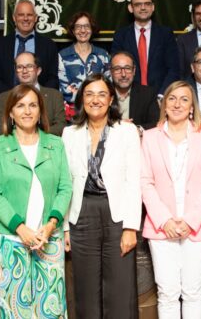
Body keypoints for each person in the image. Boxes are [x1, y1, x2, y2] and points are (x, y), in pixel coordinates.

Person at [0, 84, 72, 318]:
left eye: (33, 105)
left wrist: (51, 224)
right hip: (11, 239)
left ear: (40, 111)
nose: (27, 111)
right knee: (15, 309)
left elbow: (65, 188)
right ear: (10, 113)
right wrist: (20, 229)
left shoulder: (56, 144)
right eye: (20, 105)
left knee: (51, 308)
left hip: (49, 238)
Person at [62, 73, 141, 318]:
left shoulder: (126, 131)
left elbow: (134, 180)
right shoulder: (69, 133)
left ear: (110, 100)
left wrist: (130, 227)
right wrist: (65, 227)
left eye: (101, 94)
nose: (95, 100)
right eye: (89, 94)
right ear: (81, 99)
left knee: (119, 288)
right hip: (82, 212)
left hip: (116, 213)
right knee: (85, 290)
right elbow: (65, 183)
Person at [140, 81, 201, 319]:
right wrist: (164, 220)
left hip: (197, 227)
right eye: (172, 99)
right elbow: (145, 181)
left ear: (192, 107)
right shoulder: (150, 137)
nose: (177, 104)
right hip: (161, 227)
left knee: (193, 292)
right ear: (164, 105)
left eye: (184, 99)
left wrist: (190, 221)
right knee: (167, 293)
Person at [111, 0, 179, 95]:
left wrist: (162, 95)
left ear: (153, 7)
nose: (143, 8)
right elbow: (116, 69)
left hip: (160, 95)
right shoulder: (121, 35)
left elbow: (174, 69)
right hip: (130, 96)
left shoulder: (166, 34)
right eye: (138, 4)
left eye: (147, 4)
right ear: (131, 8)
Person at [0, 0, 59, 95]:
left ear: (35, 18)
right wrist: (10, 98)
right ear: (14, 18)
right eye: (21, 15)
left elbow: (53, 78)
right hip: (8, 100)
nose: (25, 18)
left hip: (40, 100)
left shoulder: (49, 45)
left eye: (29, 15)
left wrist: (40, 97)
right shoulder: (1, 44)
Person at [0, 52, 66, 136]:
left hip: (47, 143)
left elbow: (61, 127)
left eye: (29, 66)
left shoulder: (55, 96)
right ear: (16, 72)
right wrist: (23, 136)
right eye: (20, 67)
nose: (24, 71)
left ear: (38, 71)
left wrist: (35, 135)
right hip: (14, 143)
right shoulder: (3, 98)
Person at [57, 12, 110, 105]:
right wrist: (86, 100)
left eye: (86, 26)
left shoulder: (103, 55)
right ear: (73, 30)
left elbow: (109, 85)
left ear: (92, 29)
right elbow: (63, 87)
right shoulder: (63, 55)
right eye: (78, 27)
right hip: (73, 109)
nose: (82, 30)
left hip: (98, 106)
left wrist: (95, 100)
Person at [110, 51, 160, 131]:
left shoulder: (148, 93)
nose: (123, 74)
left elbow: (156, 122)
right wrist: (116, 126)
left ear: (134, 70)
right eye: (117, 69)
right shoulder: (103, 93)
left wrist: (136, 129)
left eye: (127, 68)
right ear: (111, 72)